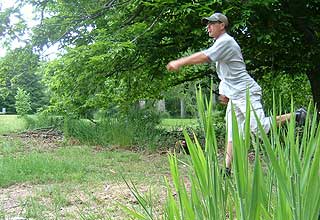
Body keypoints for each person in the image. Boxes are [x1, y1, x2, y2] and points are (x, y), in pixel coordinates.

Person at [166, 12, 307, 175]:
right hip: (235, 95)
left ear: (222, 25)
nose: (208, 27)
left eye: (212, 23)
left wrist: (179, 62)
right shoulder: (219, 44)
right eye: (207, 24)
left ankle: (296, 115)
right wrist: (224, 93)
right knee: (233, 132)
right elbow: (227, 74)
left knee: (258, 127)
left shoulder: (226, 42)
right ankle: (226, 170)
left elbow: (205, 57)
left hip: (246, 93)